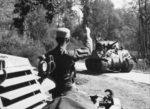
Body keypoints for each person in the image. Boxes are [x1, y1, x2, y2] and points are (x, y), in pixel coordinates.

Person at [44, 26, 93, 99]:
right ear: (68, 40)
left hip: (56, 90)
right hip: (68, 89)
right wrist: (88, 35)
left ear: (56, 39)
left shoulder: (48, 55)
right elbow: (88, 51)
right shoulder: (70, 55)